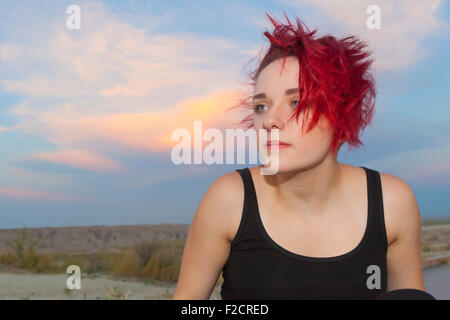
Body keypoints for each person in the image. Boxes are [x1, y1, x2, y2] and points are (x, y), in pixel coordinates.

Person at [173, 12, 427, 300]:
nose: (270, 120)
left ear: (341, 117)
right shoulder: (229, 199)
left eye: (296, 102)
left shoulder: (392, 203)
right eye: (261, 106)